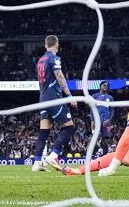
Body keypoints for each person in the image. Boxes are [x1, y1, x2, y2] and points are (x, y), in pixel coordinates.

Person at [33, 35, 76, 172]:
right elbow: (59, 75)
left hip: (43, 99)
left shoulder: (40, 60)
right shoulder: (54, 58)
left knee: (44, 131)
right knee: (69, 127)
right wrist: (69, 96)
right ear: (57, 44)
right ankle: (54, 155)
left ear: (45, 45)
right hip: (54, 98)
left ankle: (37, 162)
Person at [91, 81, 115, 158]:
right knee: (94, 139)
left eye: (107, 86)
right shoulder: (94, 96)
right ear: (100, 86)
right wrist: (92, 120)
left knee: (106, 139)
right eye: (104, 85)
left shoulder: (110, 98)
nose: (105, 87)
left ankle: (104, 157)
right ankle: (93, 156)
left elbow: (112, 110)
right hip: (96, 121)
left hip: (105, 122)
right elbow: (92, 109)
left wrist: (109, 120)